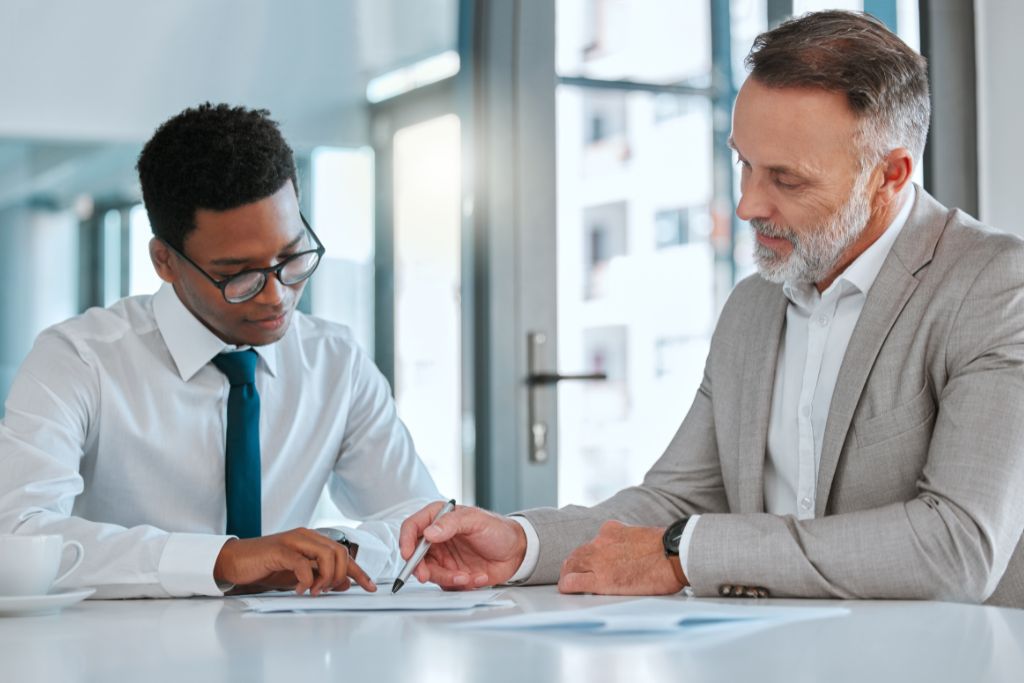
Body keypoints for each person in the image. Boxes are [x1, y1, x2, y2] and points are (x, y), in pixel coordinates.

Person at [399, 11, 1024, 607]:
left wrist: (687, 554)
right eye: (743, 163)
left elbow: (959, 545)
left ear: (890, 175)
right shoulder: (753, 304)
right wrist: (525, 545)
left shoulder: (996, 284)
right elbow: (677, 498)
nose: (748, 205)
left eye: (786, 179)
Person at [0, 103, 443, 599]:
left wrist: (335, 549)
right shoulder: (78, 360)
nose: (276, 295)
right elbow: (18, 536)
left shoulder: (334, 361)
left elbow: (427, 526)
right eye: (238, 275)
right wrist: (226, 560)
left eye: (292, 256)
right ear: (165, 261)